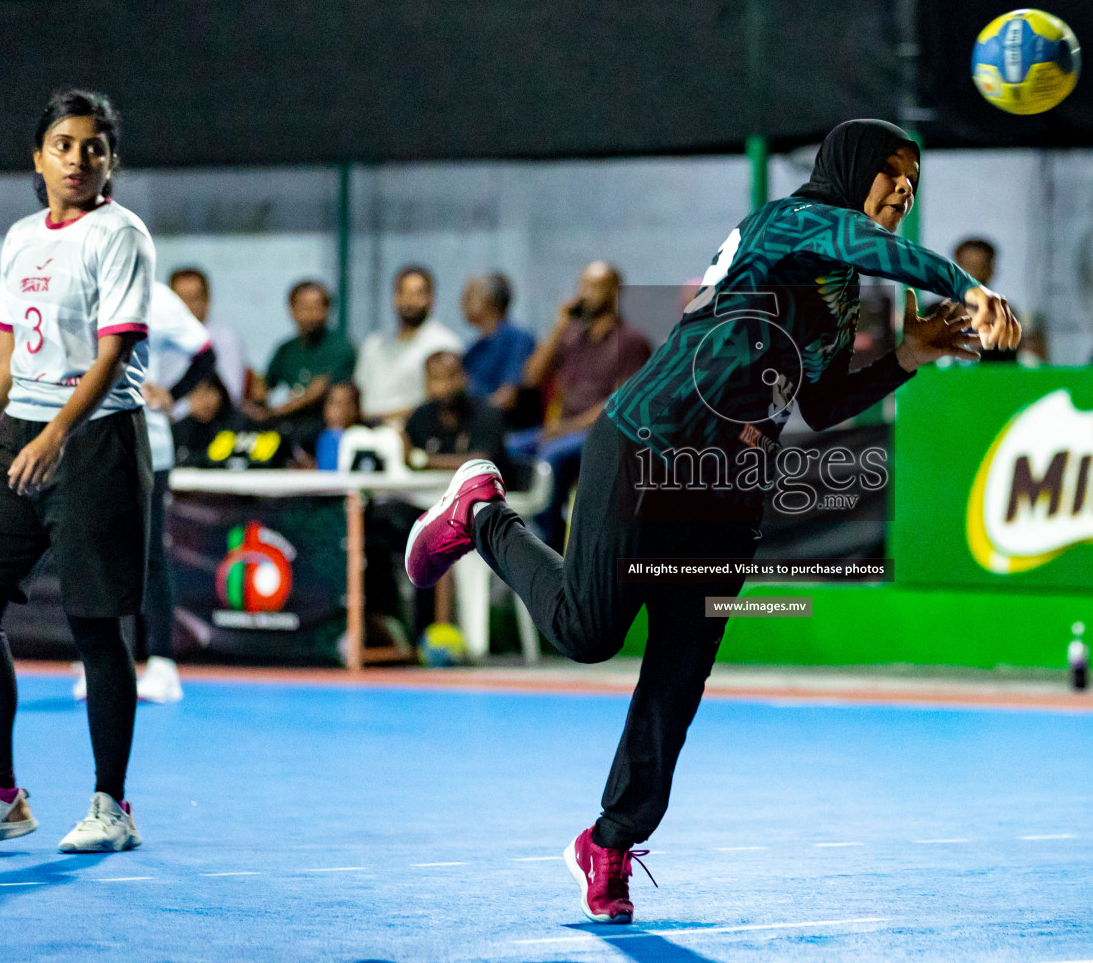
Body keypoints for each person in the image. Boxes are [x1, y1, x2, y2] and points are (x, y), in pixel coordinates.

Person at [403, 119, 1017, 924]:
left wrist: (910, 356)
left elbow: (822, 403)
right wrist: (962, 285)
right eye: (893, 173)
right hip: (646, 448)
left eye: (915, 180)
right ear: (851, 170)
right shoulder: (790, 223)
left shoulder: (836, 298)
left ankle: (610, 842)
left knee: (679, 673)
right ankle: (481, 514)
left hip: (727, 492)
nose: (906, 189)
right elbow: (868, 244)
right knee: (587, 633)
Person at [0, 90, 152, 853]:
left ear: (109, 161)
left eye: (93, 146)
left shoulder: (121, 235)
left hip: (94, 441)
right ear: (38, 158)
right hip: (19, 435)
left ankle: (111, 805)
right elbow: (6, 355)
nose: (78, 159)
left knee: (94, 625)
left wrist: (58, 432)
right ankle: (3, 795)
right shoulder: (20, 237)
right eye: (63, 144)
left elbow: (113, 351)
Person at [83, 281, 215, 706]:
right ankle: (102, 663)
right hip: (82, 443)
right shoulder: (68, 289)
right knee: (96, 554)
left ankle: (162, 665)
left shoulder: (154, 295)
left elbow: (205, 352)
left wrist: (171, 396)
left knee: (150, 554)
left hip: (146, 443)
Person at [515, 261, 652, 549]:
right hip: (563, 432)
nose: (586, 294)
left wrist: (565, 428)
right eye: (583, 286)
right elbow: (531, 378)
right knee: (509, 448)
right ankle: (518, 537)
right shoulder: (571, 336)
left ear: (614, 291)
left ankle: (549, 547)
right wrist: (558, 326)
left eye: (595, 286)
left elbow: (620, 404)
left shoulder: (631, 341)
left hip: (602, 435)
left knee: (551, 457)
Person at [355, 266, 463, 425]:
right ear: (395, 298)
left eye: (417, 294)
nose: (409, 301)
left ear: (431, 299)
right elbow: (360, 390)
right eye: (403, 293)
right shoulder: (374, 343)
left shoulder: (445, 344)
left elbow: (441, 403)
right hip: (364, 432)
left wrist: (384, 418)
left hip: (416, 434)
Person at [254, 279, 357, 442]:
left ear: (327, 310)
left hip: (320, 423)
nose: (310, 314)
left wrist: (279, 410)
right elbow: (264, 385)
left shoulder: (340, 347)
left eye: (316, 308)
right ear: (292, 311)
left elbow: (318, 391)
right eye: (304, 308)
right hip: (283, 421)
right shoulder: (285, 349)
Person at [405, 351, 515, 486]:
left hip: (488, 498)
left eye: (453, 376)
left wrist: (422, 460)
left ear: (465, 377)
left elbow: (478, 465)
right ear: (427, 382)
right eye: (438, 378)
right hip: (434, 496)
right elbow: (405, 455)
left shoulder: (486, 413)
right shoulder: (421, 416)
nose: (447, 385)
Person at [461, 272, 537, 423]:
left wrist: (470, 420)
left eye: (471, 296)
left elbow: (508, 397)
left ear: (491, 300)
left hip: (507, 426)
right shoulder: (473, 347)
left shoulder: (516, 337)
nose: (463, 302)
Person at [953, 238, 1041, 366]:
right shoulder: (934, 314)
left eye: (979, 268)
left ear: (991, 271)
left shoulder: (1010, 317)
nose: (971, 275)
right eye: (967, 267)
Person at [168, 267, 249, 402]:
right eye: (181, 299)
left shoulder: (226, 339)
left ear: (207, 300)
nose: (187, 306)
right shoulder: (155, 340)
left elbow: (232, 394)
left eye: (194, 299)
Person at [171, 374, 233, 467]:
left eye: (208, 391)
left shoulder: (235, 422)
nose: (206, 400)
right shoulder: (177, 430)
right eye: (197, 393)